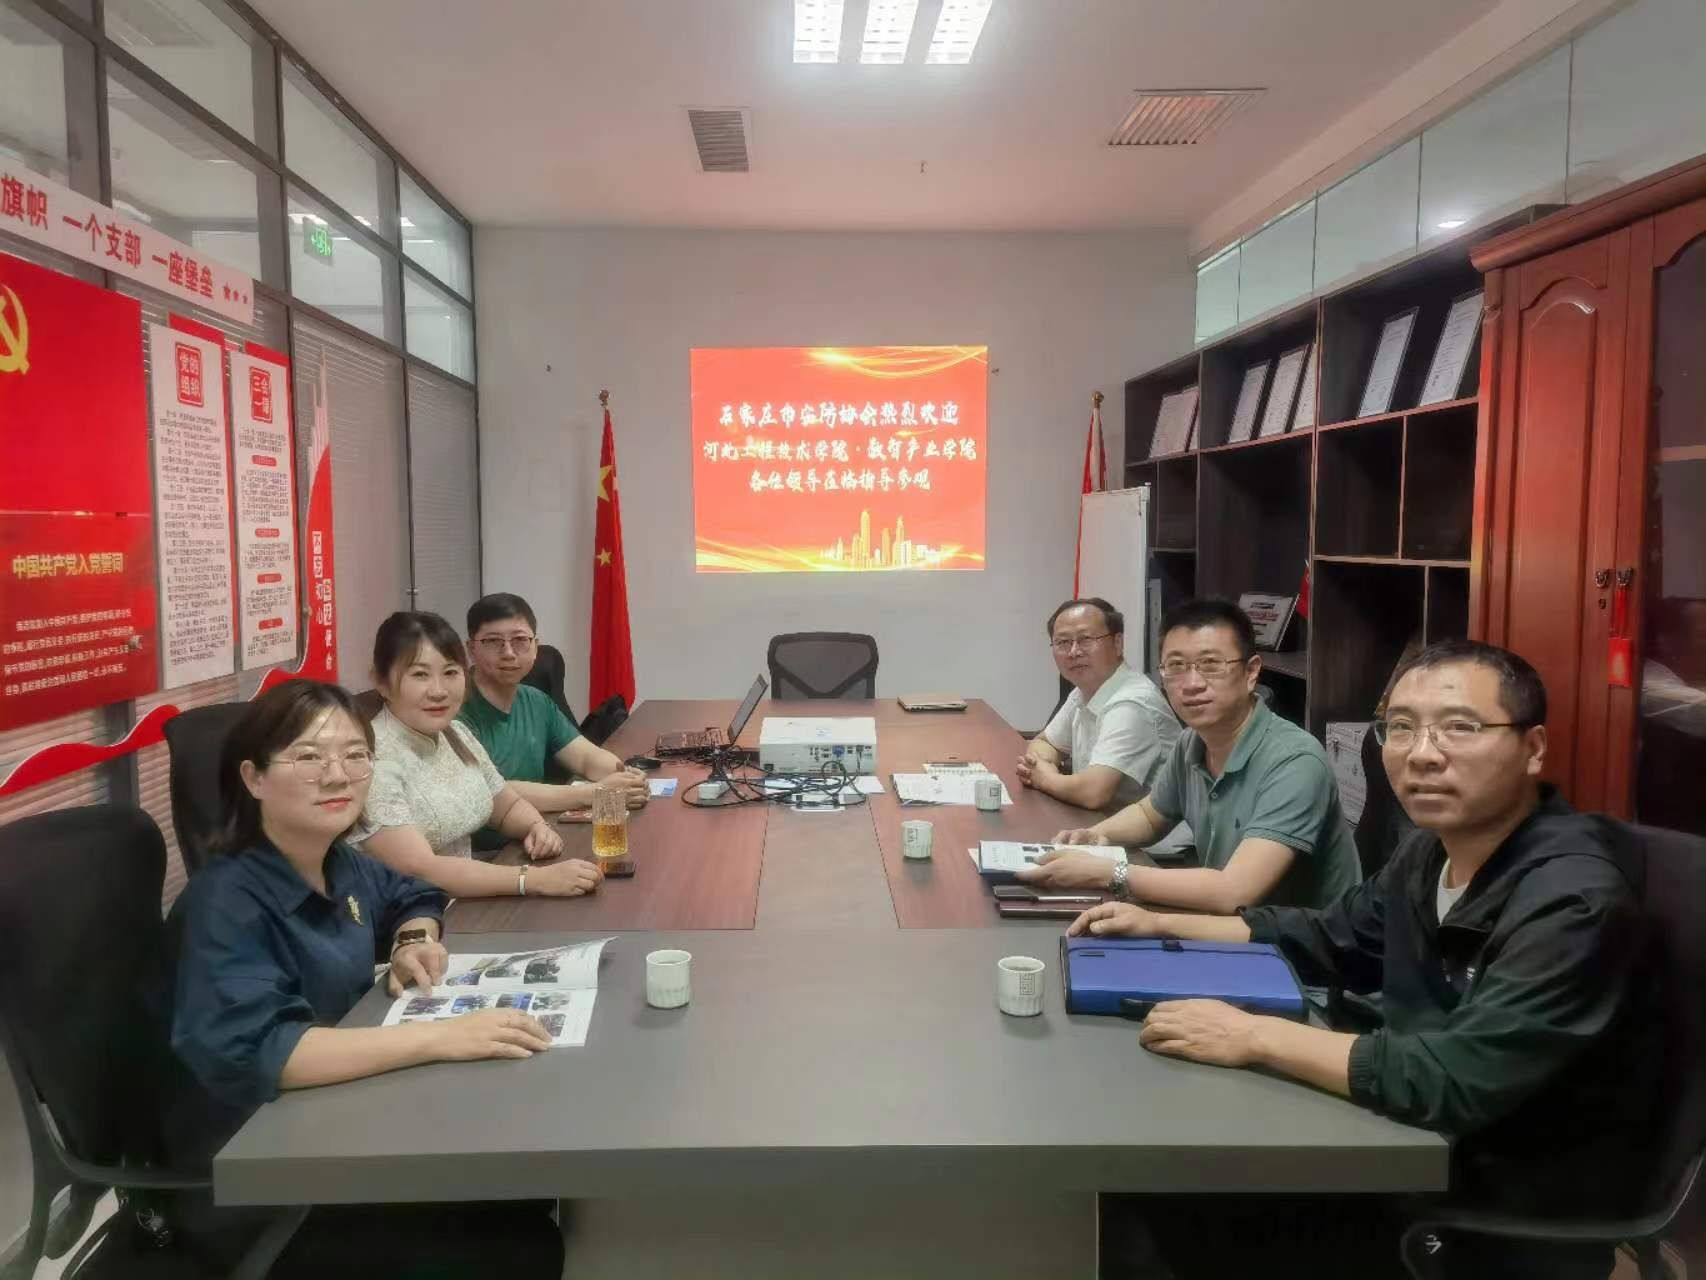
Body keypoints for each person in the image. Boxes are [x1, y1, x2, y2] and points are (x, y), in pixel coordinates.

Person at [1077, 640, 1662, 1279]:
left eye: (1460, 728)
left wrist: (1252, 1036)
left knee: (1145, 1204)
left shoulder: (1573, 902)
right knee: (1135, 1175)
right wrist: (1160, 922)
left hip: (1483, 1201)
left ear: (1533, 748)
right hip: (1406, 1137)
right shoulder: (1431, 852)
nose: (1423, 753)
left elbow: (1453, 1077)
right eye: (1401, 728)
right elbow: (1331, 937)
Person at [160, 679, 563, 1275]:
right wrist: (442, 1038)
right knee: (520, 1247)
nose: (337, 776)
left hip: (336, 1123)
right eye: (308, 757)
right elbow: (268, 1049)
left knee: (525, 1185)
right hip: (263, 1180)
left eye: (355, 755)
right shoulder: (225, 903)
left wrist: (412, 940)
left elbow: (411, 893)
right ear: (254, 778)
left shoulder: (336, 860)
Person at [1018, 598, 1360, 913]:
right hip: (1234, 924)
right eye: (1176, 666)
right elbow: (1151, 815)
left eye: (1211, 664)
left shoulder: (1295, 761)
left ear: (1251, 672)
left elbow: (1234, 891)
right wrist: (1098, 836)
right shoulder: (1192, 741)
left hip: (1301, 948)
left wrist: (1109, 871)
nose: (1192, 683)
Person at [351, 610, 604, 899]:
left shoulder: (456, 733)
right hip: (406, 914)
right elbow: (421, 869)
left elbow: (505, 806)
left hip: (466, 901)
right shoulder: (371, 760)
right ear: (381, 682)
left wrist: (535, 826)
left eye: (450, 672)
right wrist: (534, 879)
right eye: (420, 675)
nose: (439, 691)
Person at [459, 593, 647, 843]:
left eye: (520, 640)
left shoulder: (536, 701)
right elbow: (493, 792)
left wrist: (626, 776)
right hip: (484, 853)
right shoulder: (455, 710)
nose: (509, 653)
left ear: (535, 646)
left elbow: (585, 757)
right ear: (471, 649)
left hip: (538, 836)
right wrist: (595, 793)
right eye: (493, 641)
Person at [1017, 597, 1182, 815]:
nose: (1074, 651)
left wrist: (1043, 778)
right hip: (1096, 821)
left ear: (1117, 643)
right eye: (1062, 642)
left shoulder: (1131, 703)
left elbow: (1093, 793)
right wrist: (1045, 767)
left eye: (1086, 639)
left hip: (1147, 835)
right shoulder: (1086, 689)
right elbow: (1045, 742)